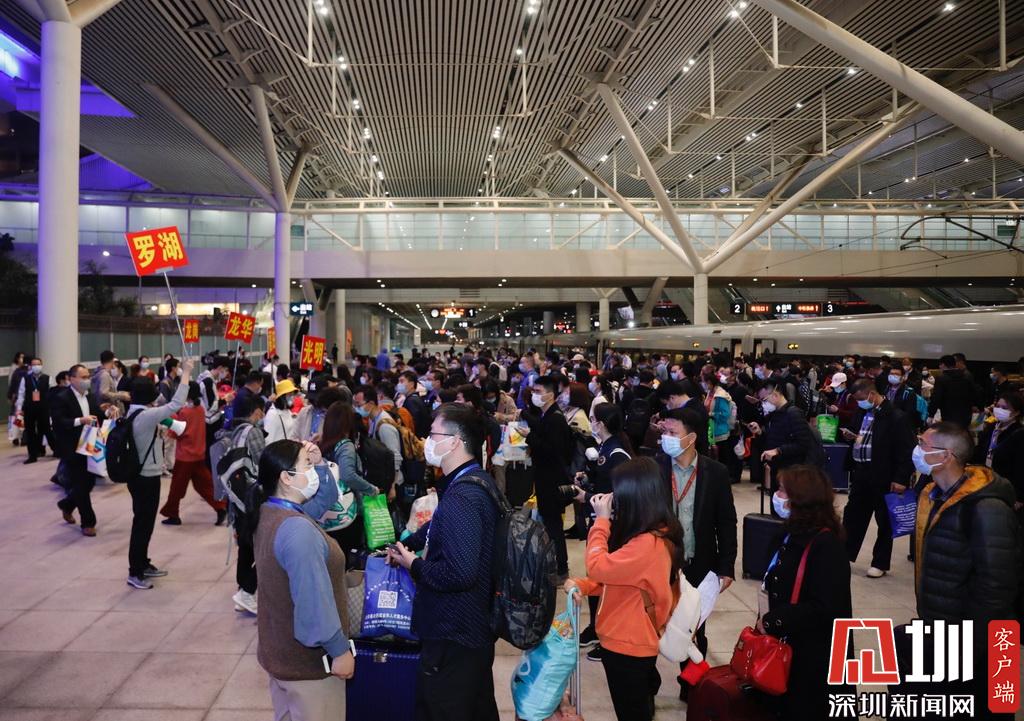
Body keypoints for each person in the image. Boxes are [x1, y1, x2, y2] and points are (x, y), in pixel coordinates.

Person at [387, 403, 501, 721]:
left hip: (454, 630)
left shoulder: (463, 496)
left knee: (443, 708)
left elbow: (460, 572)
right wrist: (410, 543)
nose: (427, 441)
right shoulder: (475, 480)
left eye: (433, 434)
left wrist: (414, 565)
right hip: (472, 626)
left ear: (454, 442)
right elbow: (442, 526)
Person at [900, 423, 1020, 716]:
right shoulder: (934, 496)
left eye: (923, 444)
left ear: (946, 455)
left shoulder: (986, 508)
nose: (917, 449)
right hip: (942, 626)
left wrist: (970, 647)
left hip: (975, 638)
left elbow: (997, 587)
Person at [565, 457, 684, 721]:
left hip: (627, 646)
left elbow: (597, 566)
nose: (613, 499)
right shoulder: (656, 533)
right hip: (632, 639)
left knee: (631, 712)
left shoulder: (647, 545)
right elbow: (622, 580)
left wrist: (601, 522)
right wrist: (585, 586)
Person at [251, 439, 351, 721]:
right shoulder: (297, 529)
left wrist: (319, 464)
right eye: (306, 465)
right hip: (309, 666)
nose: (312, 471)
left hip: (279, 652)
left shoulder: (271, 511)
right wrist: (339, 650)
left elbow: (328, 497)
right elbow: (313, 600)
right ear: (286, 477)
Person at [654, 407, 738, 698]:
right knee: (652, 625)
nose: (665, 438)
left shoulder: (715, 473)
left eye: (672, 432)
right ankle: (648, 686)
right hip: (660, 563)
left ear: (691, 438)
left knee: (693, 630)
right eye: (664, 431)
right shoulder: (655, 467)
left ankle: (692, 687)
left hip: (698, 564)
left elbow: (726, 521)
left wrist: (727, 565)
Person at [760, 465, 852, 721]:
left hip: (814, 657)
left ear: (800, 499)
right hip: (787, 646)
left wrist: (775, 620)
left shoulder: (826, 544)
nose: (777, 496)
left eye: (782, 491)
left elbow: (824, 606)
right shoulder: (788, 533)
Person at [124, 360, 193, 589]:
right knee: (142, 524)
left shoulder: (136, 412)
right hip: (145, 477)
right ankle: (135, 572)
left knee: (144, 523)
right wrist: (186, 373)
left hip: (141, 475)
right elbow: (176, 403)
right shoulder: (146, 416)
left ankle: (142, 563)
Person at [839, 378, 915, 579]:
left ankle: (880, 562)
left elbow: (906, 451)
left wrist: (901, 478)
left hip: (884, 475)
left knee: (884, 520)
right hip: (861, 471)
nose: (860, 403)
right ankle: (845, 554)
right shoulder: (861, 412)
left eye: (861, 398)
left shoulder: (896, 417)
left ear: (872, 394)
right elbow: (857, 433)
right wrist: (850, 435)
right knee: (853, 515)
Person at [573, 402, 633, 653]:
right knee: (595, 574)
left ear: (603, 423)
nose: (592, 423)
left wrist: (586, 497)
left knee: (606, 578)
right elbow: (603, 481)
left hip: (611, 525)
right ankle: (596, 627)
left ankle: (607, 633)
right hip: (599, 522)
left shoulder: (618, 453)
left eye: (594, 419)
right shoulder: (604, 448)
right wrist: (587, 479)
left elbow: (620, 496)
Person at [52, 364, 118, 536]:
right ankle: (88, 522)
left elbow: (96, 415)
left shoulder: (89, 396)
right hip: (71, 446)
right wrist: (80, 420)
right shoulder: (62, 398)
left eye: (88, 377)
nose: (87, 380)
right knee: (81, 483)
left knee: (88, 482)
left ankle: (67, 504)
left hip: (88, 443)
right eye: (83, 377)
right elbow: (59, 422)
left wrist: (108, 412)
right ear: (71, 379)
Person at [520, 375, 574, 582]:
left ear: (550, 395)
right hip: (545, 477)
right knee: (550, 523)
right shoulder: (548, 415)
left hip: (551, 479)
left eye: (538, 392)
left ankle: (561, 569)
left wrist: (529, 436)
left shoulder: (555, 419)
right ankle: (554, 565)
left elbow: (551, 450)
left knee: (554, 525)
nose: (534, 395)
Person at [159, 381, 228, 527]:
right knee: (205, 485)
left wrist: (171, 418)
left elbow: (177, 432)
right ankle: (220, 507)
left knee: (177, 488)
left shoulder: (184, 412)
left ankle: (173, 514)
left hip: (185, 456)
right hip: (199, 454)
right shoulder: (200, 410)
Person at [318, 401, 381, 556]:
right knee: (345, 553)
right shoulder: (346, 445)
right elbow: (348, 475)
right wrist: (371, 489)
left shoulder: (323, 445)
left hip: (325, 510)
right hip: (346, 512)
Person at [227, 394, 267, 614]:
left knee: (245, 545)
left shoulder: (234, 430)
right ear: (256, 410)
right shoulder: (253, 432)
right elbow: (263, 464)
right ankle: (247, 591)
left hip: (237, 497)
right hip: (253, 497)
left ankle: (243, 590)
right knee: (261, 546)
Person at [750, 379, 820, 494]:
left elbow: (803, 444)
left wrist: (778, 450)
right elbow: (772, 440)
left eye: (764, 400)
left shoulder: (794, 413)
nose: (763, 404)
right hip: (777, 469)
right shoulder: (774, 415)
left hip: (792, 471)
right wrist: (760, 433)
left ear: (775, 395)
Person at [353, 384, 404, 494]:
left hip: (391, 482)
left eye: (358, 405)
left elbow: (395, 457)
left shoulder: (385, 426)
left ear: (371, 403)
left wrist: (392, 486)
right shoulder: (372, 419)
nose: (356, 408)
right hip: (382, 475)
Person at [14, 356, 54, 464]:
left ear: (42, 365)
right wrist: (19, 408)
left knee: (45, 429)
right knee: (30, 431)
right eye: (34, 364)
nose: (36, 366)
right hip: (29, 408)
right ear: (31, 366)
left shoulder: (48, 378)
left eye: (38, 364)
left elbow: (52, 394)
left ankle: (49, 449)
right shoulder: (25, 378)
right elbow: (21, 394)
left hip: (44, 408)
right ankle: (32, 455)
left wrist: (52, 407)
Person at [927, 355, 976, 429]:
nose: (939, 367)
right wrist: (979, 407)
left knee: (950, 434)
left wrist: (931, 415)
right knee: (963, 433)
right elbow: (974, 392)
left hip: (948, 416)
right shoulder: (966, 376)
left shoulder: (941, 378)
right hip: (965, 415)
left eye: (940, 364)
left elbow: (936, 398)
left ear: (943, 365)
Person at [265, 378, 300, 444]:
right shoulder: (273, 414)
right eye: (289, 394)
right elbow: (268, 440)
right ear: (282, 397)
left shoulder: (287, 411)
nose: (292, 397)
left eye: (293, 394)